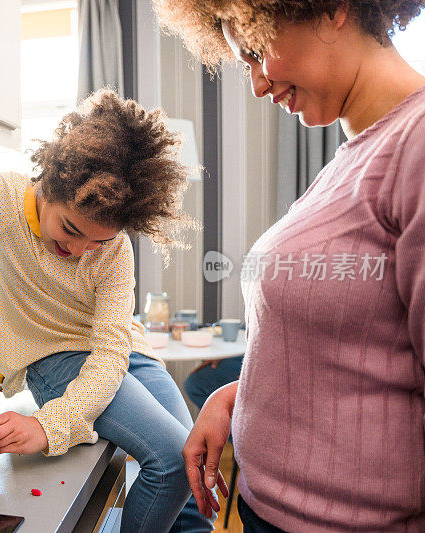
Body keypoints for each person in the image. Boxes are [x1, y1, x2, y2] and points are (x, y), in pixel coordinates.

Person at [0, 89, 220, 532]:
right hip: (56, 359)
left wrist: (50, 427)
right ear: (50, 185)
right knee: (169, 461)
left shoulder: (116, 253)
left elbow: (111, 354)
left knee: (190, 459)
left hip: (126, 355)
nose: (78, 250)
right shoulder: (3, 196)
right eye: (71, 229)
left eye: (99, 241)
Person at [153, 0, 425, 531]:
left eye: (256, 53)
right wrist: (233, 400)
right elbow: (351, 353)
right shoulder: (352, 158)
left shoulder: (415, 144)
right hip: (268, 510)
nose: (256, 84)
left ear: (332, 9)